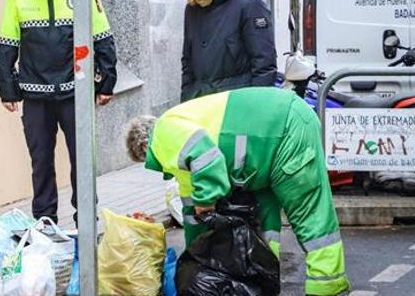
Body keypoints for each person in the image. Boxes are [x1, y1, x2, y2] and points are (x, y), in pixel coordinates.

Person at [125, 87, 350, 296]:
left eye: (145, 161)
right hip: (265, 147)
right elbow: (192, 209)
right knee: (262, 224)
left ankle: (328, 284)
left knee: (308, 210)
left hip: (285, 125)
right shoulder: (176, 145)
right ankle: (262, 280)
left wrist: (207, 198)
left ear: (144, 147)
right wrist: (194, 252)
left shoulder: (164, 132)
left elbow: (206, 158)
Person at [0, 0, 117, 224]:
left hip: (74, 91)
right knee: (41, 161)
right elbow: (6, 45)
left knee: (82, 159)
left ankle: (86, 217)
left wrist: (107, 82)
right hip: (36, 94)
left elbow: (103, 37)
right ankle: (45, 220)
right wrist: (7, 90)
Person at [171, 0, 277, 102]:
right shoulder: (192, 10)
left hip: (237, 104)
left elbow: (264, 65)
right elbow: (187, 63)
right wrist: (186, 103)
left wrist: (257, 109)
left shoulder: (248, 4)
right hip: (202, 105)